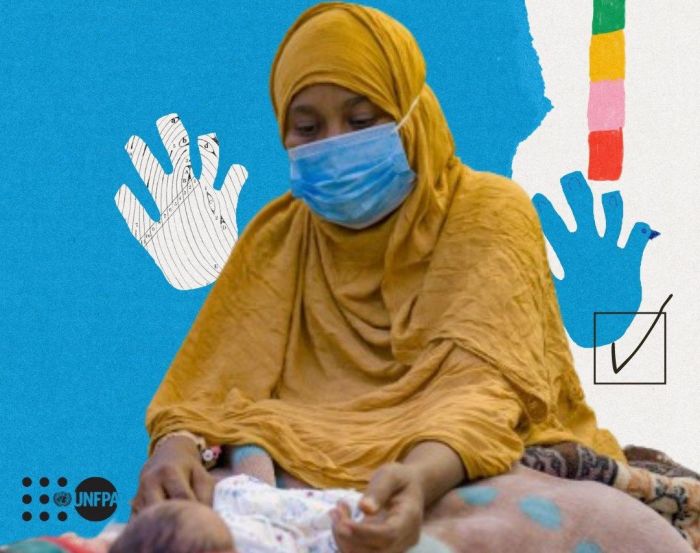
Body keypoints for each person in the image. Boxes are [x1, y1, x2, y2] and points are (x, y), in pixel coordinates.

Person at [131, 2, 629, 551]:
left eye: (363, 120)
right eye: (307, 128)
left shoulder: (487, 211)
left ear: (412, 114)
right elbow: (206, 392)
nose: (334, 144)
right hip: (295, 455)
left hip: (448, 457)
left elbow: (485, 391)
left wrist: (417, 479)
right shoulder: (279, 236)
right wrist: (174, 449)